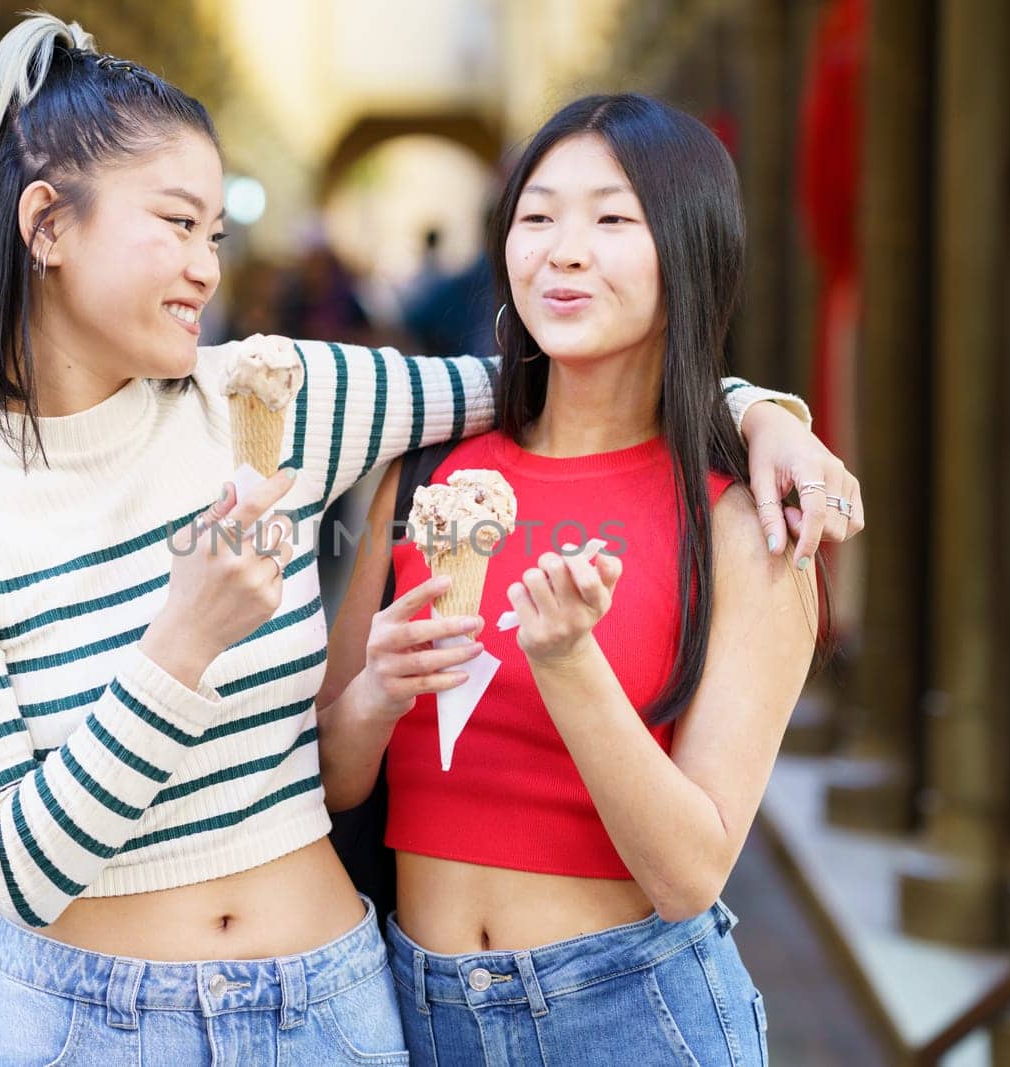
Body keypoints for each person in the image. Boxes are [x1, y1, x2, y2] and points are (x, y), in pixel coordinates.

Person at [0, 14, 856, 1065]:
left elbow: (558, 378)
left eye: (215, 235)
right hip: (87, 1026)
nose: (205, 267)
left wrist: (765, 413)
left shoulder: (267, 394)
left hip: (334, 1011)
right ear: (46, 224)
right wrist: (182, 642)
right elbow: (17, 869)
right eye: (179, 223)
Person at [318, 93, 837, 1066]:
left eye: (611, 218)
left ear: (687, 250)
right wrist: (380, 694)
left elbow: (690, 872)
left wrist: (568, 662)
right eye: (536, 214)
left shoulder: (742, 526)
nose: (562, 249)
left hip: (626, 1013)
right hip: (403, 1009)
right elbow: (337, 774)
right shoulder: (426, 474)